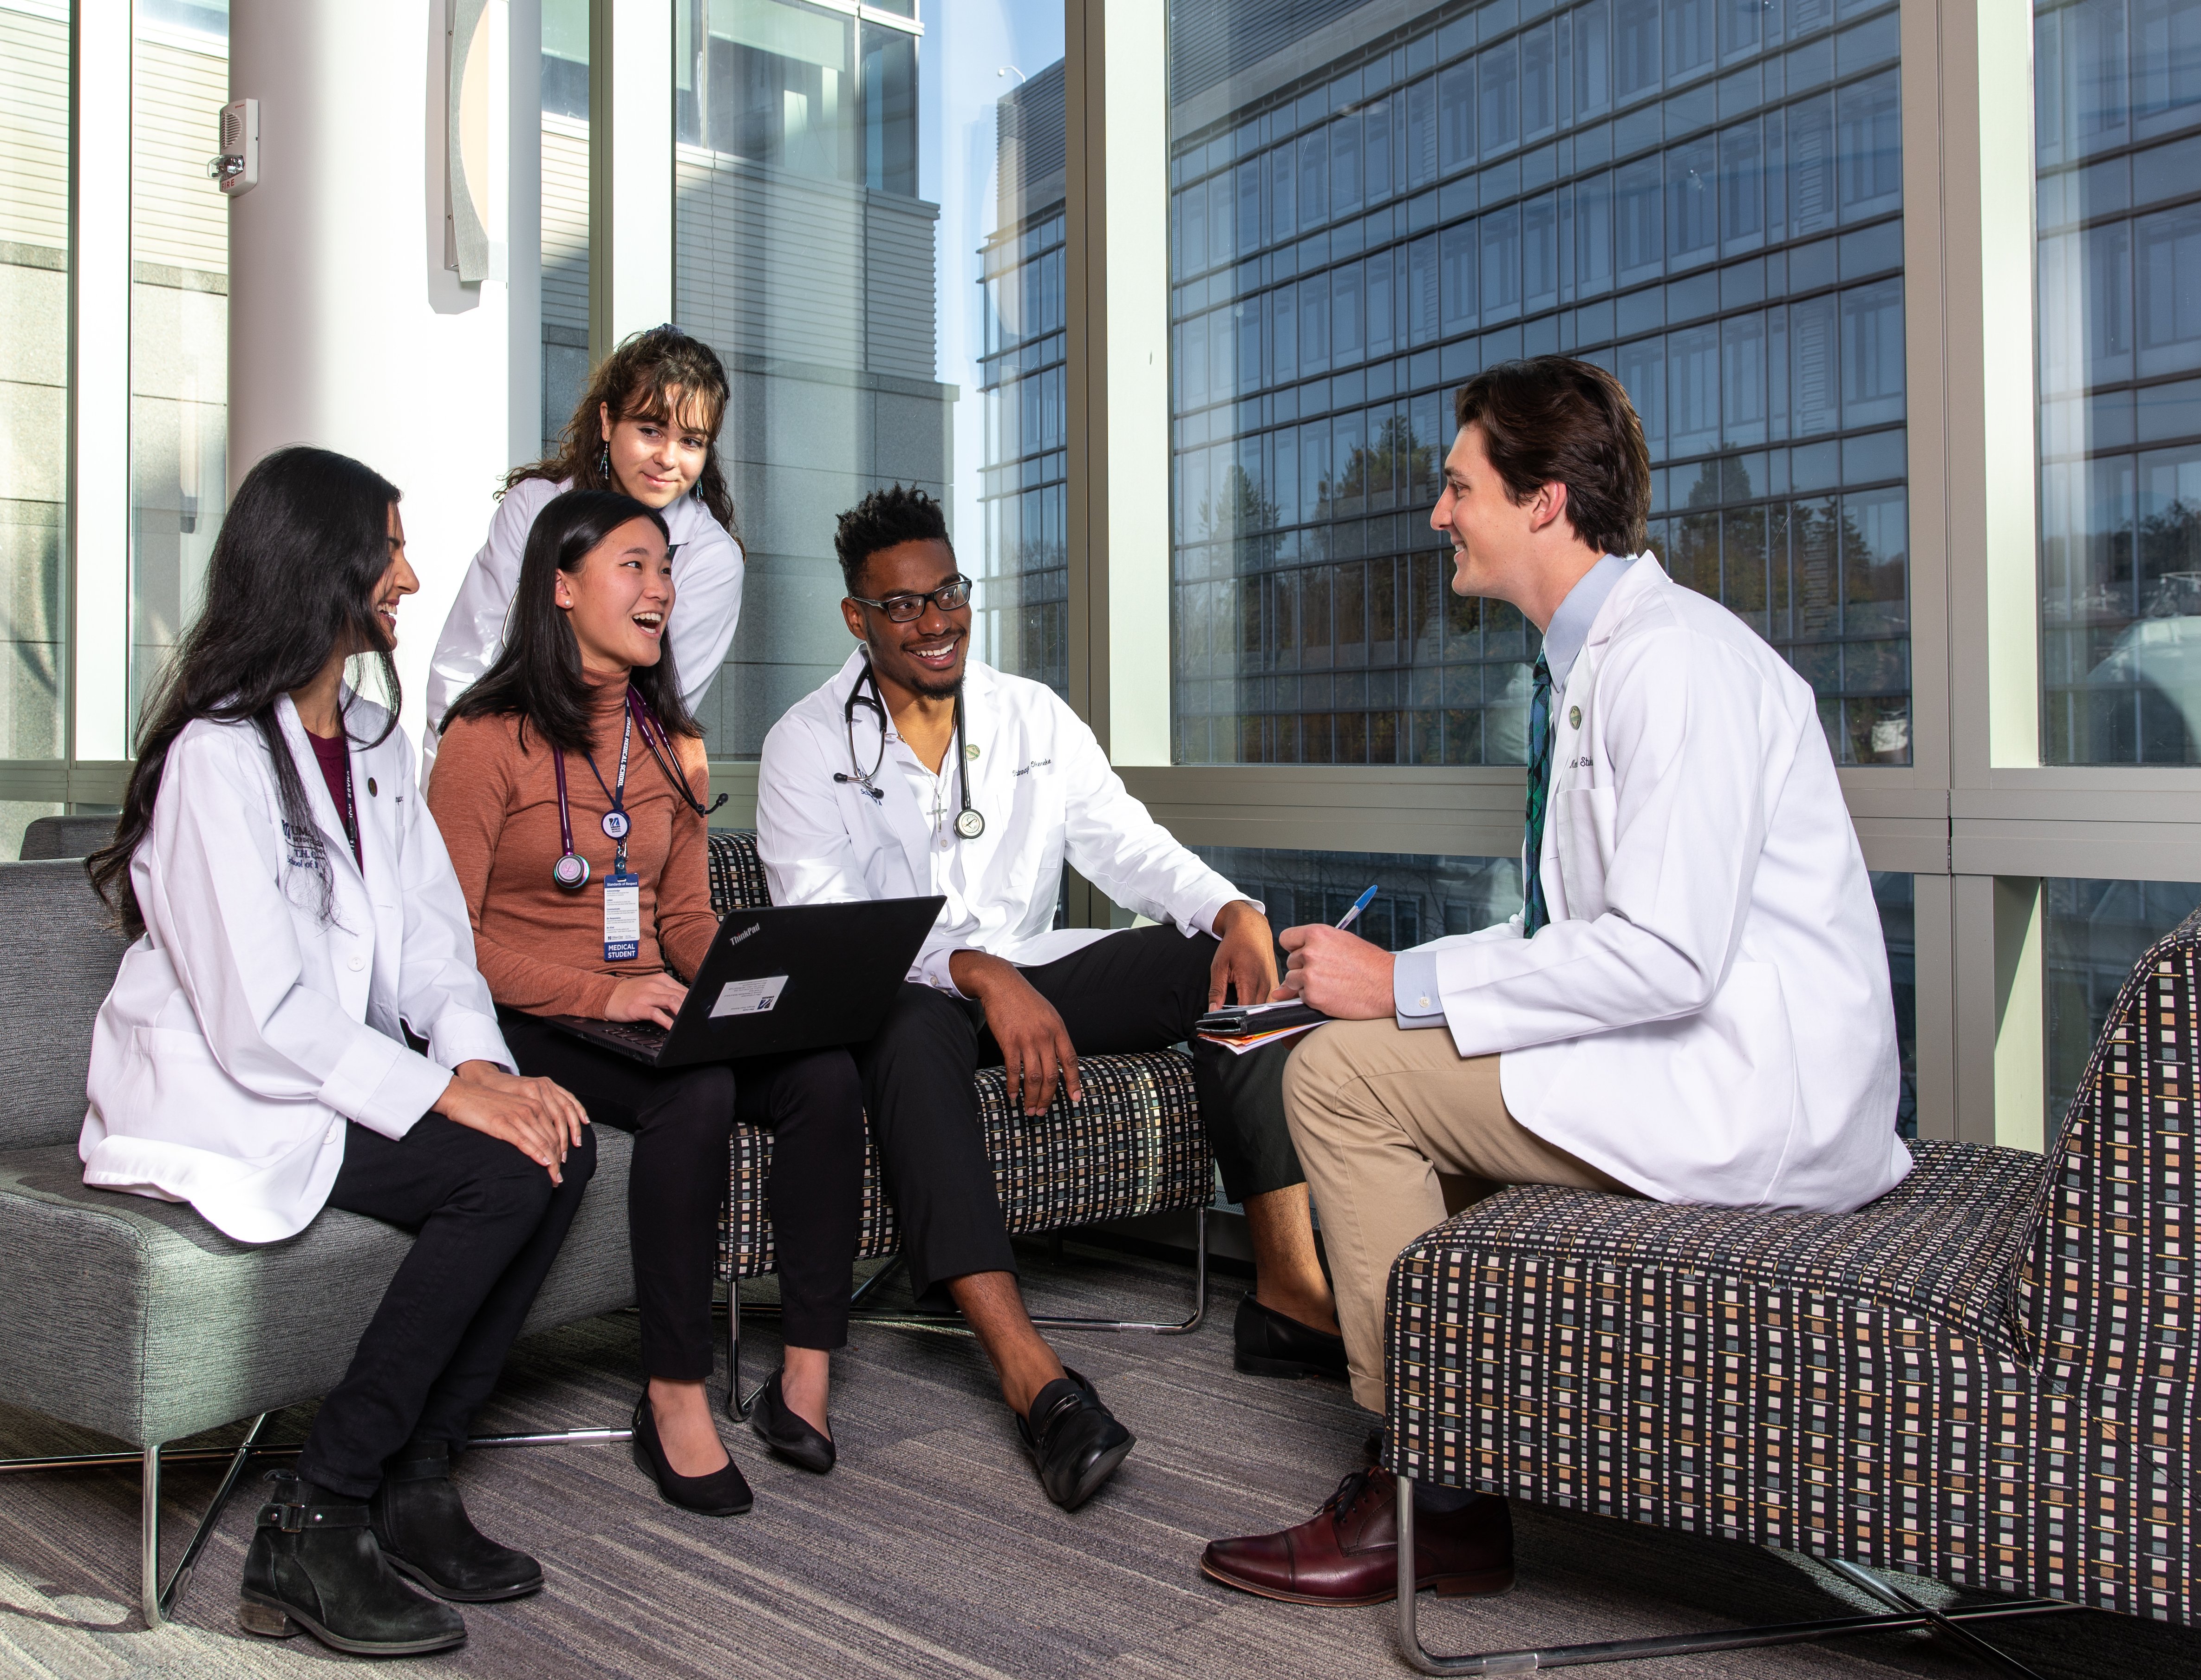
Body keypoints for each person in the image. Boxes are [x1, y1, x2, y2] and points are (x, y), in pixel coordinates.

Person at [1198, 356, 1912, 1608]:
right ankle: (1488, 1432)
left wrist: (1396, 992)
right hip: (1689, 1055)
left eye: (1457, 486)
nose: (1437, 513)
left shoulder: (1673, 663)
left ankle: (1431, 1492)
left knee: (1342, 1081)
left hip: (1748, 1096)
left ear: (1543, 501)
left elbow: (1664, 954)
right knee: (1381, 1062)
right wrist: (1390, 977)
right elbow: (1570, 935)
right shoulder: (1596, 665)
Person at [80, 446, 595, 1659]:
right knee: (500, 1172)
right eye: (391, 550)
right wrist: (445, 1102)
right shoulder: (216, 756)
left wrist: (479, 1069)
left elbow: (433, 943)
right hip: (230, 1090)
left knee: (556, 1143)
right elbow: (258, 1015)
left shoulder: (371, 742)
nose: (409, 577)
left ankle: (417, 1478)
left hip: (329, 1072)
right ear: (325, 564)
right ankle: (318, 1512)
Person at [752, 485, 1348, 1514]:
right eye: (904, 605)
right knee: (907, 1033)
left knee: (1210, 966)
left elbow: (1127, 843)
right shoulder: (805, 743)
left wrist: (1232, 909)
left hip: (1033, 969)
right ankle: (1035, 1381)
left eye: (949, 594)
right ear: (857, 617)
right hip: (906, 999)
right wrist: (980, 973)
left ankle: (1290, 1294)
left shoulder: (1030, 714)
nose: (935, 622)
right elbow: (830, 928)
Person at [429, 488, 865, 1518]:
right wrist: (608, 992)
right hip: (525, 1017)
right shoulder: (485, 737)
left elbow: (687, 919)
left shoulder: (669, 741)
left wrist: (752, 986)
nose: (661, 587)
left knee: (822, 1072)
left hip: (641, 1008)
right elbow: (443, 943)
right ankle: (672, 1390)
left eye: (666, 568)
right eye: (634, 565)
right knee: (693, 1090)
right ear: (561, 586)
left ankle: (805, 1372)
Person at [427, 325, 743, 784]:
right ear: (608, 421)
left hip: (604, 782)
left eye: (691, 442)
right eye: (650, 430)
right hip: (489, 766)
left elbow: (658, 705)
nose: (668, 458)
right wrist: (455, 779)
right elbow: (465, 662)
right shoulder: (534, 506)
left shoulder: (711, 558)